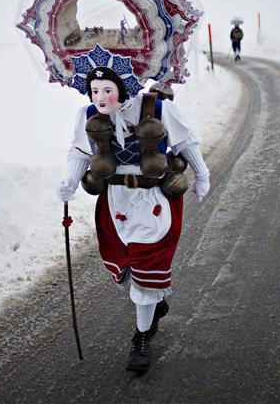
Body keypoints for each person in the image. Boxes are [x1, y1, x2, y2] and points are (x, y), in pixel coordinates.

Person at [56, 66, 210, 373]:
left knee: (147, 265)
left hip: (154, 200)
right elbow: (80, 152)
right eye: (94, 90)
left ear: (124, 86)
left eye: (106, 90)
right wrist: (70, 182)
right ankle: (154, 304)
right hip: (115, 200)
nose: (99, 98)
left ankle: (141, 337)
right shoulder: (87, 114)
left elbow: (186, 143)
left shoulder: (158, 108)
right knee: (125, 268)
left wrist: (202, 174)